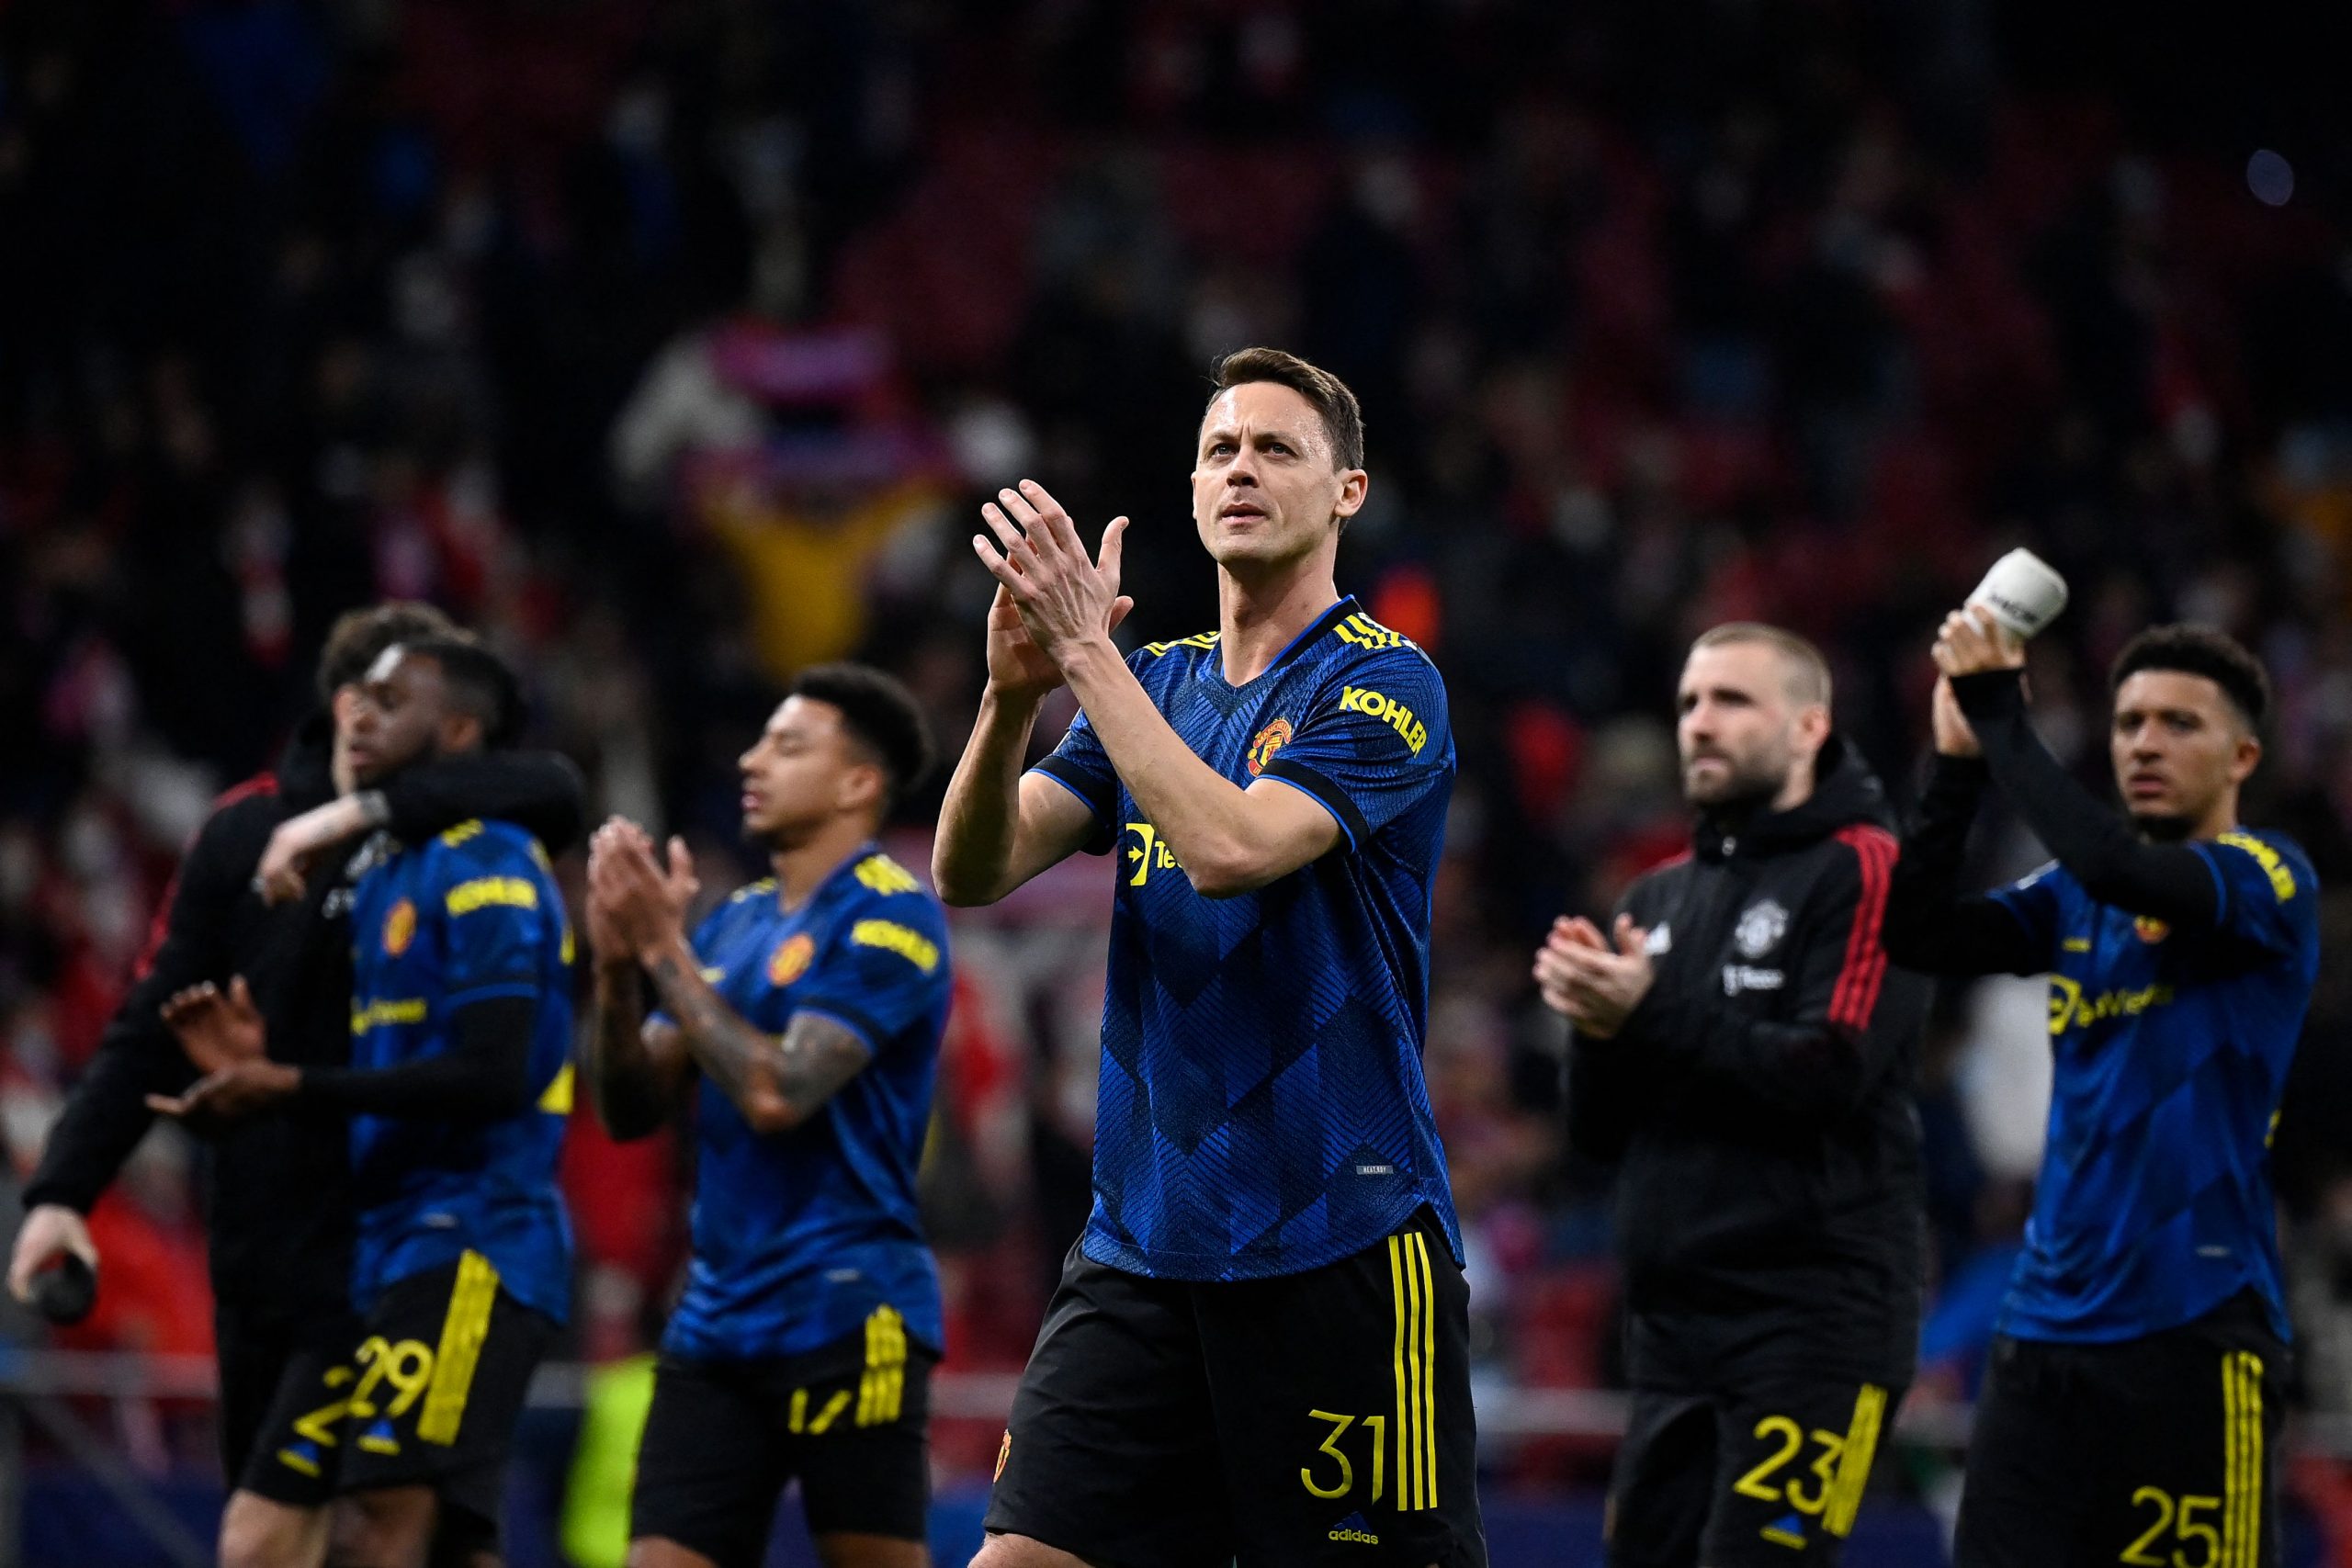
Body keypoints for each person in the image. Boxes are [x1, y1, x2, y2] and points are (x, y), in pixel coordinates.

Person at [933, 347, 1483, 1567]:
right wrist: (1009, 697)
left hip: (1337, 1244)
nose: (1243, 466)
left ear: (1347, 491)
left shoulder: (1387, 682)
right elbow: (971, 869)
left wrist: (1084, 658)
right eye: (1222, 449)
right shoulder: (1157, 681)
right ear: (1190, 487)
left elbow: (1233, 842)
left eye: (1278, 448)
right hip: (1140, 1249)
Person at [8, 604, 582, 1568]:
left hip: (409, 1238)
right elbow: (150, 1022)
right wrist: (62, 1191)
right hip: (267, 1242)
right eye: (366, 693)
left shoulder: (463, 841)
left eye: (399, 699)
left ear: (449, 730)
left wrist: (283, 1076)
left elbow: (553, 787)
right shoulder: (247, 836)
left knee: (365, 1530)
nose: (367, 714)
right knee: (349, 1533)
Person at [1883, 616, 2318, 1567]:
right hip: (2039, 1343)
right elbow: (1916, 935)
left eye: (2177, 724)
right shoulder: (2073, 896)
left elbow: (2124, 868)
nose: (2144, 745)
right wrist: (1955, 767)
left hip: (2195, 1335)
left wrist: (2002, 715)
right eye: (2127, 725)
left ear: (2242, 754)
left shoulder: (2269, 878)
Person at [1534, 623, 1929, 1566]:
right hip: (1671, 1330)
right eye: (1688, 705)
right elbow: (1594, 1137)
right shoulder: (1652, 902)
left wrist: (1652, 1011)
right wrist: (1597, 1033)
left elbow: (1829, 1073)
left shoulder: (1869, 870)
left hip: (1814, 1324)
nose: (1700, 725)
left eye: (1732, 701)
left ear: (1807, 728)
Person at [582, 662, 951, 1568]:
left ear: (859, 782)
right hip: (716, 1317)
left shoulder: (890, 917)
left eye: (788, 746)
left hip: (847, 1309)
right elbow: (631, 1108)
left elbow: (778, 1091)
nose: (753, 760)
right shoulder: (735, 921)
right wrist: (619, 969)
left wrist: (664, 949)